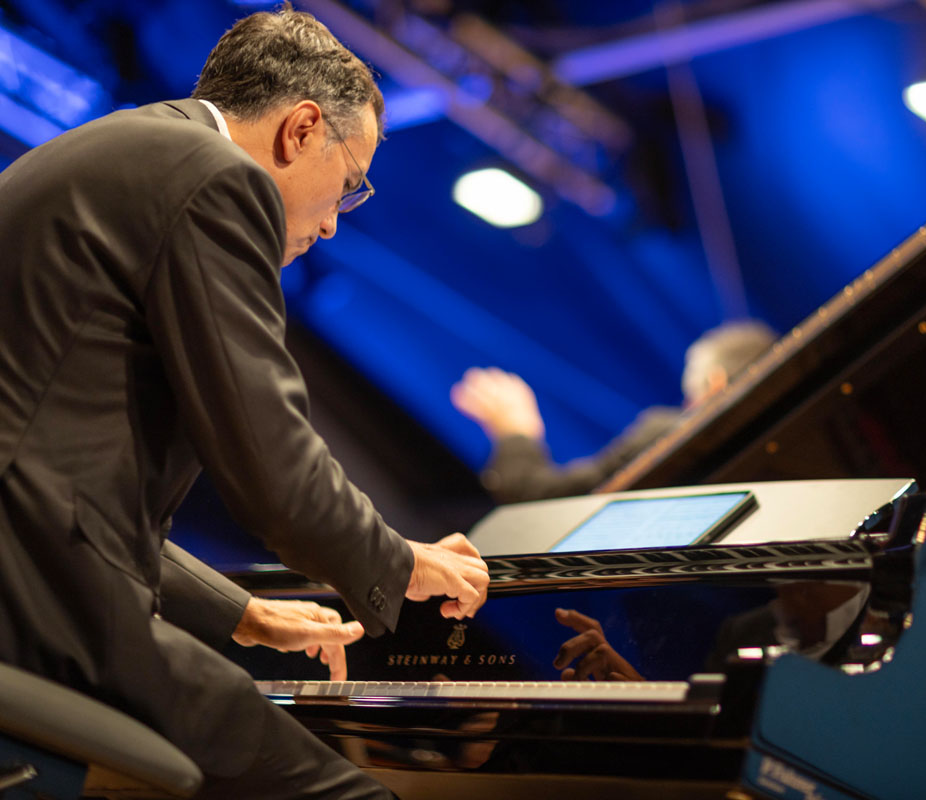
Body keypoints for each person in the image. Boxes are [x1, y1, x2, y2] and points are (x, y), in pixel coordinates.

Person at [0, 6, 488, 799]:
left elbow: (57, 483)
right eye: (349, 185)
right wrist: (400, 563)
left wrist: (244, 613)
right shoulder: (216, 177)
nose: (332, 224)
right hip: (41, 604)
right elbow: (268, 459)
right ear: (301, 130)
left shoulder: (135, 148)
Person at [451, 320, 777, 503]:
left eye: (688, 399)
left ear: (715, 384)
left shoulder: (667, 430)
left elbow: (545, 502)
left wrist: (515, 431)